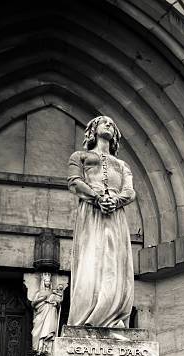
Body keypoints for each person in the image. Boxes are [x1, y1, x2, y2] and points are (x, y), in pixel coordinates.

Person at [67, 116, 136, 328]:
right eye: (103, 122)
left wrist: (115, 200)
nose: (108, 124)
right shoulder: (80, 156)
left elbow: (130, 191)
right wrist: (97, 198)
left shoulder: (122, 165)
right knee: (90, 263)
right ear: (92, 130)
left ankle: (113, 318)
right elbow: (74, 182)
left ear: (115, 134)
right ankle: (85, 319)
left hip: (115, 215)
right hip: (91, 213)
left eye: (112, 124)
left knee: (115, 265)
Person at [31, 272, 63, 352]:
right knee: (37, 331)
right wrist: (42, 299)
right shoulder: (39, 293)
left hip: (50, 313)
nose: (47, 283)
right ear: (43, 282)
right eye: (46, 281)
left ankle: (46, 349)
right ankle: (39, 349)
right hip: (41, 313)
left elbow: (58, 302)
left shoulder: (53, 293)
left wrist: (56, 303)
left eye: (49, 281)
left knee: (48, 329)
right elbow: (33, 304)